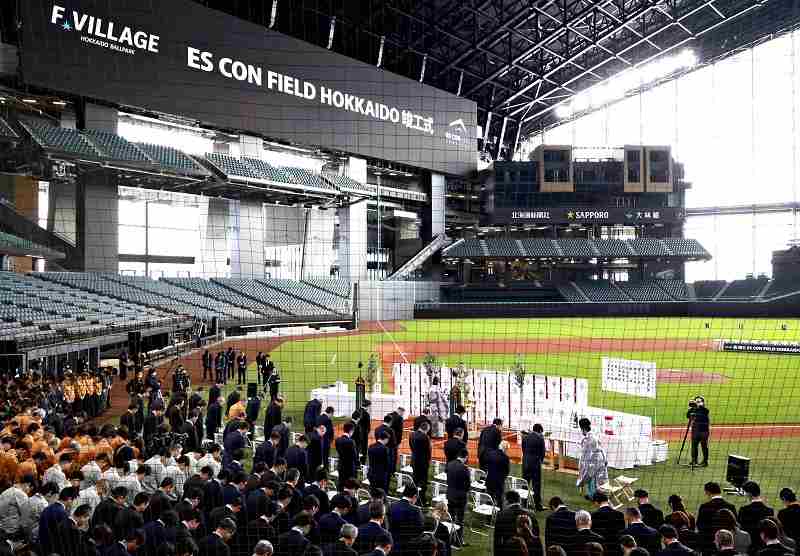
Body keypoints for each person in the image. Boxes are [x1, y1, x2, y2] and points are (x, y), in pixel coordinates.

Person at [696, 482, 737, 555]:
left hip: (709, 546)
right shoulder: (731, 507)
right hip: (729, 545)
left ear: (708, 492)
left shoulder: (704, 507)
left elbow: (700, 526)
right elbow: (735, 525)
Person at [495, 491, 538, 556]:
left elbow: (497, 540)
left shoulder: (501, 515)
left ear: (506, 501)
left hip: (509, 551)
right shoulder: (531, 514)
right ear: (519, 500)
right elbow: (536, 536)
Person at [738, 481, 773, 554]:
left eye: (745, 492)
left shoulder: (744, 510)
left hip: (748, 546)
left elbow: (741, 528)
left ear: (749, 494)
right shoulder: (769, 510)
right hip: (764, 546)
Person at [577, 418, 608, 500]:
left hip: (594, 461)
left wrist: (583, 464)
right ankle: (594, 494)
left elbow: (586, 454)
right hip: (600, 459)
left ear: (583, 428)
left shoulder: (588, 439)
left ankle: (594, 496)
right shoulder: (594, 434)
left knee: (592, 477)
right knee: (598, 478)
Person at [389, 485, 423, 556]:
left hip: (391, 545)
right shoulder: (416, 511)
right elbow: (420, 530)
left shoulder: (392, 506)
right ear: (414, 496)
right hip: (408, 548)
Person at [445, 448, 470, 545]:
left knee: (450, 517)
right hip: (460, 497)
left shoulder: (450, 464)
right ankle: (458, 541)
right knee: (460, 520)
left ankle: (449, 538)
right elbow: (467, 485)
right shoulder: (464, 468)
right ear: (466, 457)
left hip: (450, 494)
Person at [591, 492, 626, 556]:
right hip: (617, 550)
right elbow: (623, 533)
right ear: (607, 501)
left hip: (601, 550)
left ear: (596, 502)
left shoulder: (594, 516)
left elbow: (594, 534)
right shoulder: (620, 514)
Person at [522, 424, 546, 512]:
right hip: (535, 463)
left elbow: (523, 450)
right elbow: (542, 452)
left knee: (525, 483)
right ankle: (537, 505)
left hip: (525, 463)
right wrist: (540, 461)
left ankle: (523, 503)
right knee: (536, 485)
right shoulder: (540, 438)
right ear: (540, 431)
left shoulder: (525, 437)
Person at [410, 421, 432, 504]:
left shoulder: (412, 434)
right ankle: (422, 500)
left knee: (415, 480)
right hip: (423, 463)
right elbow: (428, 451)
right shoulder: (425, 437)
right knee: (423, 482)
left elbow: (411, 447)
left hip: (414, 460)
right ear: (426, 429)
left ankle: (414, 497)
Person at [485, 441, 511, 510]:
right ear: (505, 449)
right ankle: (499, 514)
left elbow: (487, 465)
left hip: (489, 479)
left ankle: (489, 514)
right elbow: (507, 471)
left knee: (489, 498)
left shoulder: (490, 454)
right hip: (499, 482)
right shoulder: (505, 458)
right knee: (499, 499)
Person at [687, 396, 710, 467]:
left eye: (699, 401)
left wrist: (699, 406)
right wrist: (691, 408)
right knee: (694, 446)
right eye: (696, 401)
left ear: (703, 403)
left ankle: (705, 462)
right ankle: (694, 460)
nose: (697, 403)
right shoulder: (693, 409)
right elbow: (688, 415)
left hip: (704, 431)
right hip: (695, 431)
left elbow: (706, 412)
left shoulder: (704, 410)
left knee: (704, 446)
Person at [335, 422, 359, 490]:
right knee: (350, 486)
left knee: (341, 484)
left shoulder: (338, 440)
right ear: (351, 431)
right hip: (350, 468)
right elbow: (355, 456)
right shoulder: (351, 442)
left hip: (341, 466)